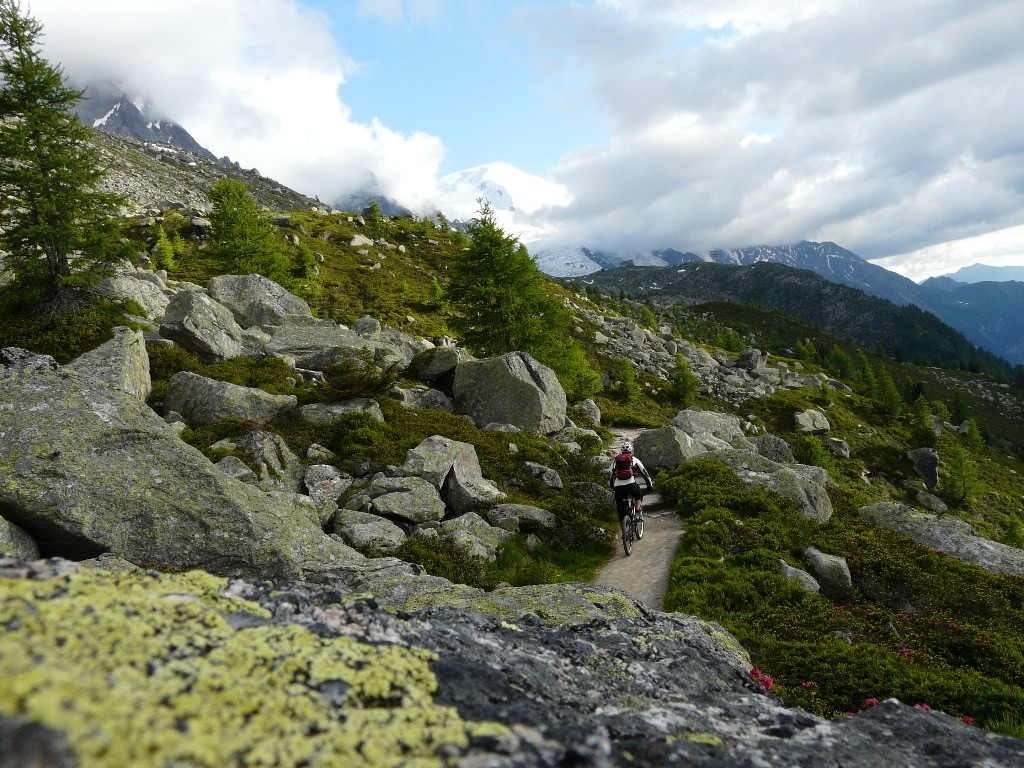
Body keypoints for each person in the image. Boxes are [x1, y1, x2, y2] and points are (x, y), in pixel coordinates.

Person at [608, 440, 653, 542]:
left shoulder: (616, 460)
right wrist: (649, 485)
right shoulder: (634, 459)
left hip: (619, 488)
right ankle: (637, 511)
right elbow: (644, 473)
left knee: (621, 511)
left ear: (621, 451)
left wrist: (612, 486)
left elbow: (610, 474)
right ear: (631, 451)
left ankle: (624, 533)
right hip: (631, 485)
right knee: (638, 495)